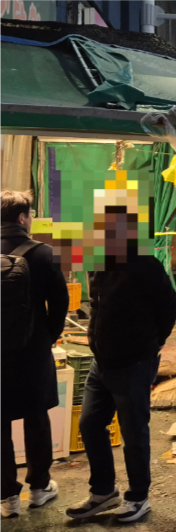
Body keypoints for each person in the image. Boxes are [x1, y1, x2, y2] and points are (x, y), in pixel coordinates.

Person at [66, 207, 176, 523]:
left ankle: (138, 497)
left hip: (133, 362)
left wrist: (154, 344)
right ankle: (103, 492)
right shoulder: (98, 262)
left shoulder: (144, 264)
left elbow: (170, 306)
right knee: (89, 424)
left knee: (134, 433)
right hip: (101, 363)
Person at [1, 191, 69, 519]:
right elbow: (60, 304)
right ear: (22, 217)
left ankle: (6, 498)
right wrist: (48, 337)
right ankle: (39, 489)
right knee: (36, 417)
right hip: (32, 351)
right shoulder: (43, 253)